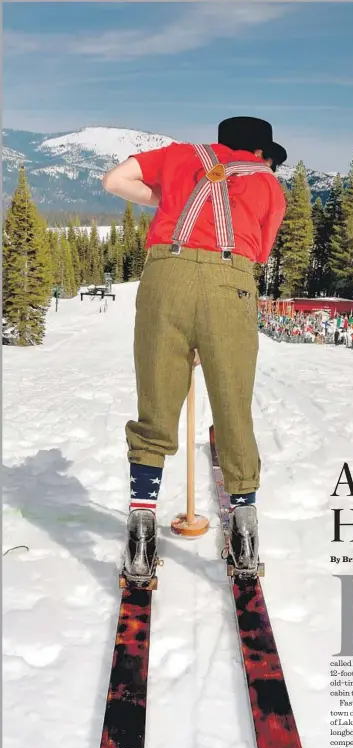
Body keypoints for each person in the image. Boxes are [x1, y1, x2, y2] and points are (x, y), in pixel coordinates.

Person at [101, 116, 287, 583]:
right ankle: (244, 535)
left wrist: (166, 198)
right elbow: (257, 253)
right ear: (262, 154)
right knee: (232, 408)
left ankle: (141, 532)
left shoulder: (183, 156)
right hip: (230, 284)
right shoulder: (269, 185)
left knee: (156, 406)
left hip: (166, 277)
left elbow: (114, 180)